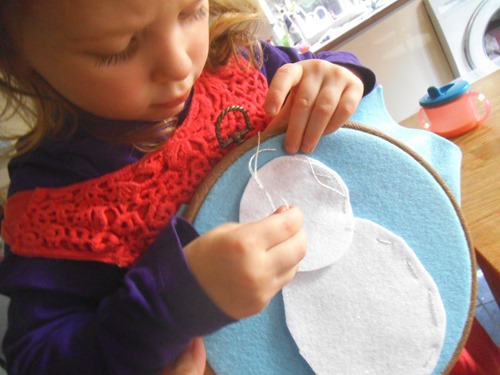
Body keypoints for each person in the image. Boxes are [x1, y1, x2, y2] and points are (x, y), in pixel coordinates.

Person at [0, 0, 376, 374]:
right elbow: (36, 359)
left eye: (191, 12)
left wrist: (336, 76)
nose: (180, 65)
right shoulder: (50, 203)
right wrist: (168, 304)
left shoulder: (244, 64)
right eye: (117, 49)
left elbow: (322, 69)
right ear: (14, 53)